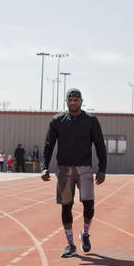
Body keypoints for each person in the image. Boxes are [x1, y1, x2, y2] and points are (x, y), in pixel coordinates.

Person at [41, 88, 107, 257]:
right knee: (66, 206)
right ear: (66, 101)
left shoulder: (91, 121)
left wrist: (102, 169)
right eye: (70, 100)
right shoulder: (57, 120)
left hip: (85, 168)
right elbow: (49, 144)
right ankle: (70, 244)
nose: (73, 103)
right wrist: (44, 166)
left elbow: (100, 145)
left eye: (76, 100)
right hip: (64, 169)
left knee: (89, 205)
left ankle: (85, 234)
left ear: (81, 101)